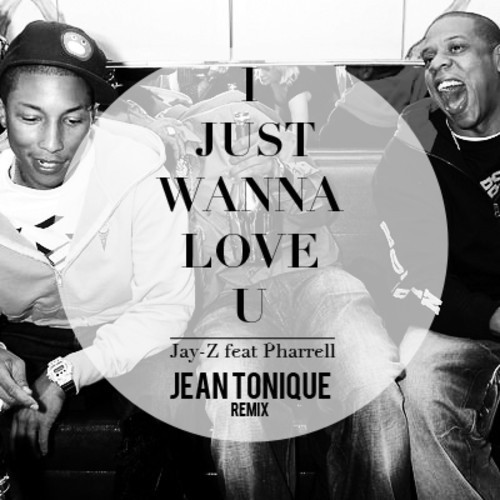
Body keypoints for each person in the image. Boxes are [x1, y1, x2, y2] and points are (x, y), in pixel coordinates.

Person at [117, 85, 411, 498]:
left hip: (314, 278)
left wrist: (278, 178)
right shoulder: (130, 186)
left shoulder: (241, 120)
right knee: (236, 402)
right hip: (227, 304)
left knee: (374, 384)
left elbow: (320, 205)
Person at [0, 20, 194, 498]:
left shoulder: (142, 175)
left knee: (166, 416)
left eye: (73, 120)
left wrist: (66, 375)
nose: (52, 143)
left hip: (123, 331)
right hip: (22, 335)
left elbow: (165, 307)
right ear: (2, 112)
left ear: (93, 114)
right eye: (30, 118)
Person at [374, 11, 500, 499]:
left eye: (456, 48)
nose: (438, 63)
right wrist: (490, 317)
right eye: (429, 57)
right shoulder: (412, 149)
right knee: (424, 385)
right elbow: (416, 273)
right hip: (461, 321)